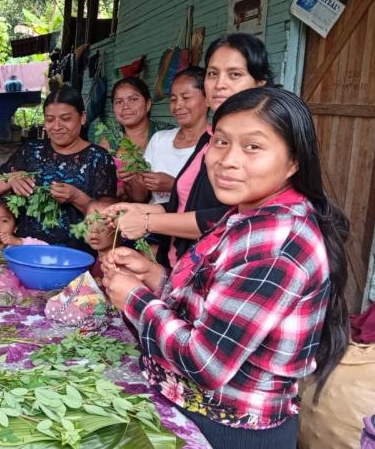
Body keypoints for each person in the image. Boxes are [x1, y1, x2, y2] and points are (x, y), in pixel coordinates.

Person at [102, 87, 350, 449]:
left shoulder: (277, 241)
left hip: (229, 429)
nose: (228, 160)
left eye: (252, 147)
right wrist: (155, 278)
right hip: (196, 411)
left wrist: (135, 299)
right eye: (220, 142)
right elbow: (218, 306)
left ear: (294, 161)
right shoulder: (247, 212)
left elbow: (206, 362)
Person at [107, 33, 273, 269]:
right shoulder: (211, 138)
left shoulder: (264, 140)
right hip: (185, 264)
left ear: (259, 83)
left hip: (224, 267)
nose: (220, 84)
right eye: (213, 74)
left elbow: (228, 217)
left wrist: (148, 221)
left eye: (234, 74)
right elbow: (188, 204)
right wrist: (139, 208)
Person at [0, 85, 117, 250]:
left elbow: (108, 219)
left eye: (66, 118)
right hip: (24, 248)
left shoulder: (99, 158)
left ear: (82, 117)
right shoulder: (31, 151)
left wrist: (76, 197)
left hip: (75, 253)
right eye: (49, 119)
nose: (56, 126)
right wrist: (11, 179)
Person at [131, 67, 210, 204]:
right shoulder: (159, 139)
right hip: (152, 218)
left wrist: (174, 186)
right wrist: (132, 179)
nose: (177, 105)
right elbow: (140, 197)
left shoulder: (216, 143)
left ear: (208, 99)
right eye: (173, 99)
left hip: (188, 222)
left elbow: (212, 201)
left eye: (186, 98)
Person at [97, 77, 172, 200]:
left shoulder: (166, 134)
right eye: (119, 102)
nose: (125, 106)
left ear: (148, 104)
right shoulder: (109, 140)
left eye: (133, 99)